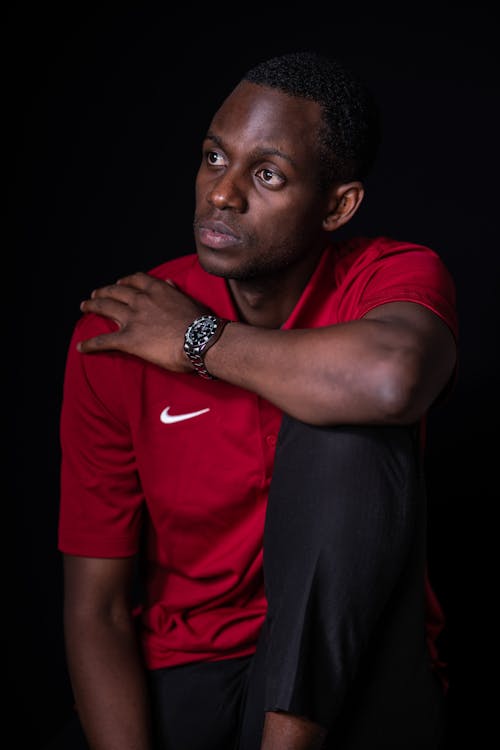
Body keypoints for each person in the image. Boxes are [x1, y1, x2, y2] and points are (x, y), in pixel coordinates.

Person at [57, 50, 458, 750]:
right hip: (191, 672)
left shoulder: (388, 275)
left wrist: (198, 341)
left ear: (337, 205)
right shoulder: (121, 329)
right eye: (215, 158)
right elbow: (98, 608)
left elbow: (392, 378)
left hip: (359, 672)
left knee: (346, 421)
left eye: (266, 174)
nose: (223, 194)